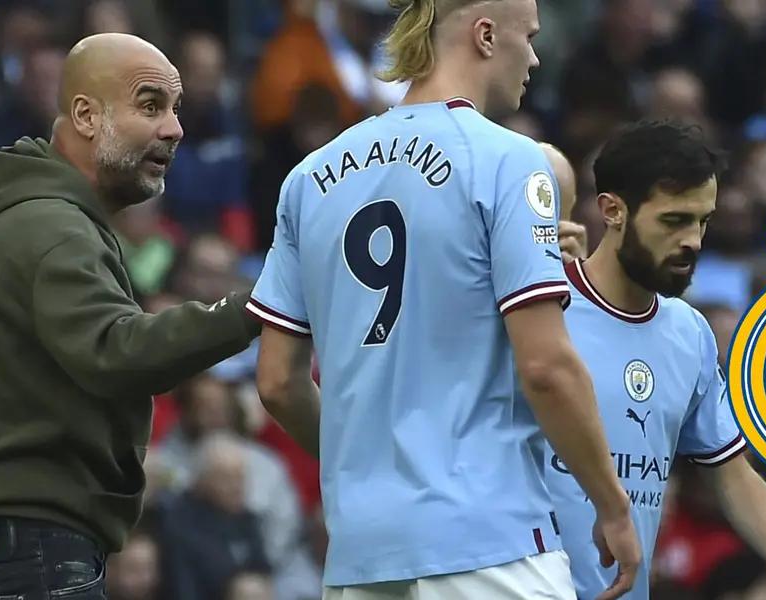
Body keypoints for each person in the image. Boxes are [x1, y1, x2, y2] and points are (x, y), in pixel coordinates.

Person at [248, 0, 641, 598]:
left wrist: (372, 466)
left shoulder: (309, 177)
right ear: (485, 35)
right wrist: (613, 506)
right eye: (528, 37)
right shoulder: (512, 161)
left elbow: (277, 382)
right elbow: (547, 367)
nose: (534, 57)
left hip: (362, 550)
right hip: (489, 544)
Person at [0, 33, 262, 599]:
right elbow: (118, 352)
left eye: (175, 109)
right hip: (27, 555)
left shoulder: (41, 219)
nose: (175, 128)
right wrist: (253, 307)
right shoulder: (52, 227)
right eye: (151, 105)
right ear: (86, 115)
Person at [544, 120, 766, 600]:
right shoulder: (542, 309)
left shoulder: (690, 333)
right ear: (612, 211)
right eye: (674, 220)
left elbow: (732, 471)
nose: (694, 240)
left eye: (703, 221)